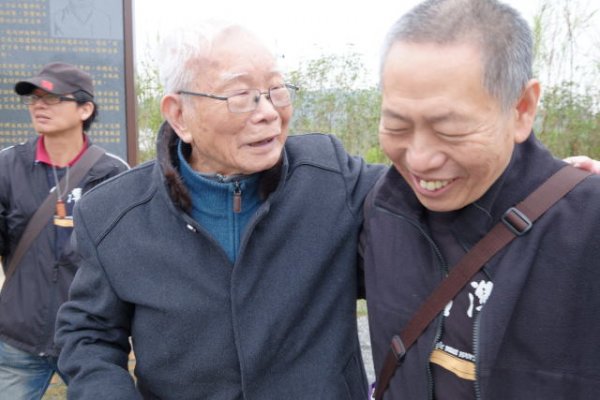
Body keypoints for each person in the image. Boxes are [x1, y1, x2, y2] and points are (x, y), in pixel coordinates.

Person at [54, 22, 383, 399]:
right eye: (241, 95)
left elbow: (417, 202)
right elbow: (88, 335)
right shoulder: (113, 214)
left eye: (276, 90)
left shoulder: (331, 177)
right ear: (179, 115)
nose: (269, 113)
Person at [360, 0, 600, 398]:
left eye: (450, 130)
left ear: (522, 108)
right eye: (397, 125)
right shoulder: (382, 208)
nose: (419, 159)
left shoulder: (587, 226)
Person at [0, 62, 129, 399]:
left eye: (53, 98)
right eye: (34, 98)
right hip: (18, 337)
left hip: (88, 338)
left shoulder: (114, 173)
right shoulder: (7, 166)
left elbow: (127, 259)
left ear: (85, 109)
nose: (39, 106)